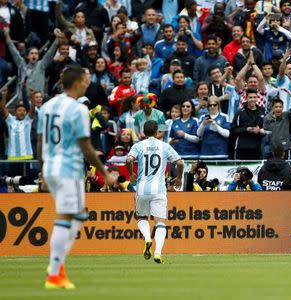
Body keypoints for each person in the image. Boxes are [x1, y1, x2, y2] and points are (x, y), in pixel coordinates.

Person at [37, 66, 114, 289]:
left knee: (79, 215)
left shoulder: (47, 106)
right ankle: (54, 273)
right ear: (77, 82)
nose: (88, 83)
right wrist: (104, 172)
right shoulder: (77, 109)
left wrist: (42, 172)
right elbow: (86, 147)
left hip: (51, 167)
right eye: (86, 79)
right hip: (68, 169)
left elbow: (40, 142)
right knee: (66, 216)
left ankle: (57, 262)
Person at [127, 120, 184, 264]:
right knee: (160, 222)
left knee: (141, 217)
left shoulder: (138, 146)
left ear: (144, 132)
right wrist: (178, 178)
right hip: (159, 190)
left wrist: (131, 173)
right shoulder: (164, 146)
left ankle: (147, 237)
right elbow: (180, 162)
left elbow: (128, 160)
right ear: (157, 131)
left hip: (142, 189)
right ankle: (158, 252)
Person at [1, 88, 35, 161]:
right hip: (12, 156)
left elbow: (32, 108)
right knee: (14, 173)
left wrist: (32, 96)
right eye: (19, 110)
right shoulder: (10, 120)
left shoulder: (28, 120)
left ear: (26, 112)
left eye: (24, 111)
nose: (22, 112)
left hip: (27, 156)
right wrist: (4, 95)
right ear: (15, 112)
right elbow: (3, 107)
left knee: (26, 173)